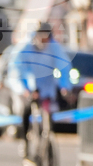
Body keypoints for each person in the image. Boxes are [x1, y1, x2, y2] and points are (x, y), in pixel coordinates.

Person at [7, 23, 70, 157]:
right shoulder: (24, 48)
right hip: (29, 88)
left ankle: (48, 143)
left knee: (48, 117)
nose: (44, 40)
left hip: (48, 88)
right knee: (26, 110)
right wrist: (24, 90)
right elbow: (15, 72)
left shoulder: (54, 47)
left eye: (47, 36)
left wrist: (65, 87)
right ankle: (25, 142)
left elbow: (64, 67)